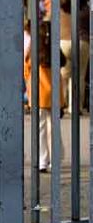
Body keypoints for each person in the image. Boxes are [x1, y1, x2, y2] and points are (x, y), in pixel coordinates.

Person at [24, 21, 65, 172]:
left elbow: (26, 69)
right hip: (54, 96)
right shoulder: (55, 50)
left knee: (40, 129)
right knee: (53, 128)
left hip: (38, 95)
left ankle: (42, 160)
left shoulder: (33, 50)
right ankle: (55, 160)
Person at [60, 0, 90, 113]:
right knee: (79, 76)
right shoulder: (85, 10)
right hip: (82, 42)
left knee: (63, 75)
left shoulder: (59, 9)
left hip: (63, 42)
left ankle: (62, 103)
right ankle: (75, 107)